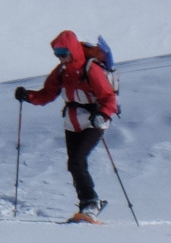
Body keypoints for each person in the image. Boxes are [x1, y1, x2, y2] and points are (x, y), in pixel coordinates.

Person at [14, 30, 118, 221]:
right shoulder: (61, 72)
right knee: (73, 164)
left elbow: (108, 97)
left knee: (77, 160)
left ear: (73, 51)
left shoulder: (91, 69)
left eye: (63, 54)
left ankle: (91, 203)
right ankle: (86, 204)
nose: (60, 58)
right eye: (57, 55)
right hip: (72, 122)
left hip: (94, 120)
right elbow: (47, 94)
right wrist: (28, 96)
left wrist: (103, 114)